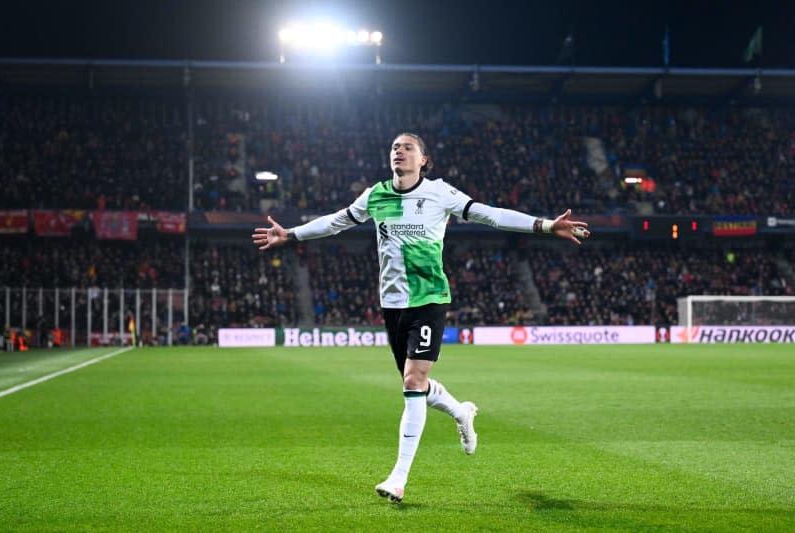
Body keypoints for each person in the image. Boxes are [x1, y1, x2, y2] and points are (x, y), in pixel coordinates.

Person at [252, 132, 590, 504]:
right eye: (394, 147)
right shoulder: (375, 195)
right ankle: (461, 412)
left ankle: (398, 478)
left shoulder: (440, 193)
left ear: (423, 160)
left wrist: (544, 225)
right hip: (392, 304)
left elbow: (491, 215)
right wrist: (291, 234)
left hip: (429, 298)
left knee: (413, 381)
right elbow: (336, 222)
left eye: (407, 147)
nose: (399, 151)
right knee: (418, 386)